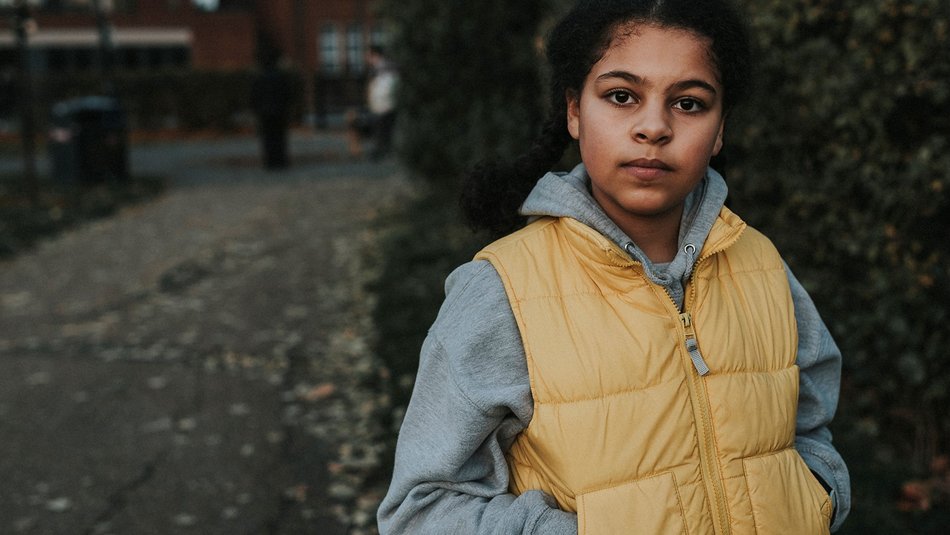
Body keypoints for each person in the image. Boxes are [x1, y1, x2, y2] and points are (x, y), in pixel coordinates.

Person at [378, 0, 852, 533]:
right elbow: (421, 509)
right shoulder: (503, 290)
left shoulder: (760, 263)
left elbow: (808, 424)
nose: (654, 127)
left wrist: (816, 496)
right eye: (622, 96)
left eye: (690, 104)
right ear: (574, 112)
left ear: (720, 131)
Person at [251, 49, 293, 170]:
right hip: (279, 111)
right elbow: (287, 94)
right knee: (279, 137)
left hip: (265, 112)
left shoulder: (260, 77)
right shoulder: (280, 77)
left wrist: (256, 109)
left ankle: (270, 161)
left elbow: (254, 96)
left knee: (268, 138)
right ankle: (280, 160)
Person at [365, 45, 398, 160]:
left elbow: (384, 86)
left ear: (375, 55)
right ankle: (384, 150)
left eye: (369, 55)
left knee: (382, 128)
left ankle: (380, 152)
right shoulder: (386, 66)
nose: (367, 58)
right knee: (386, 128)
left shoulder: (383, 68)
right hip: (384, 103)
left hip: (384, 103)